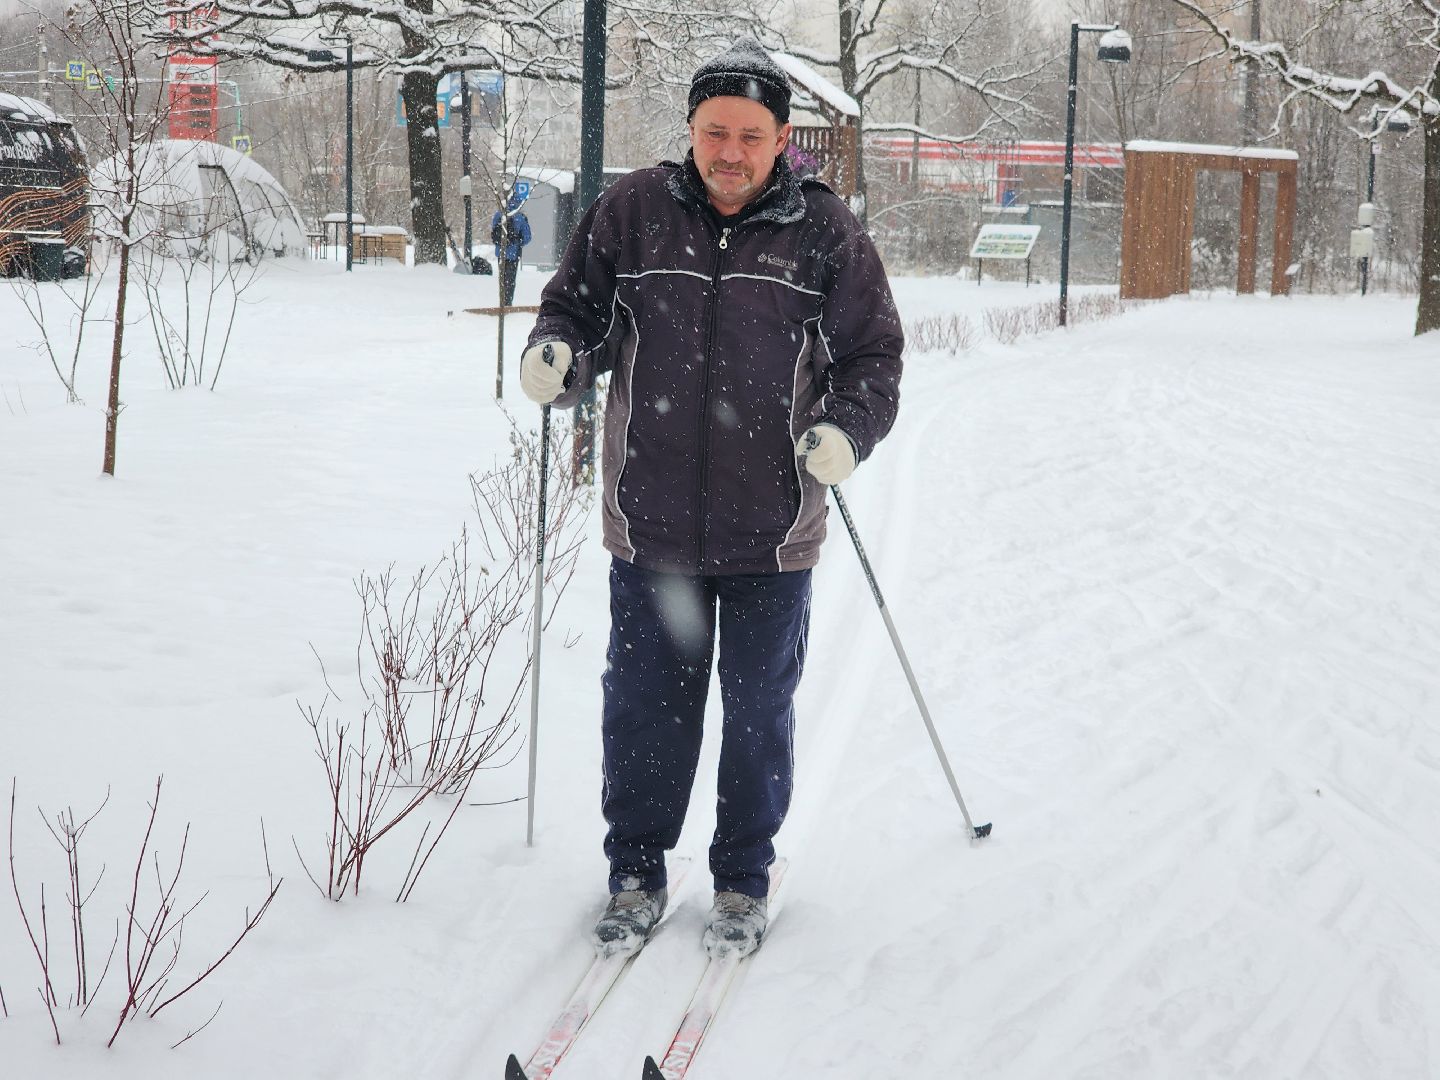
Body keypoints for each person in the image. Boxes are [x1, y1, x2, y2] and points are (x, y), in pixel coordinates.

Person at [518, 38, 904, 961]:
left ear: (781, 141)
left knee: (758, 709)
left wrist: (848, 429)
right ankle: (636, 870)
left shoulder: (826, 232)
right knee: (647, 705)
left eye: (750, 134)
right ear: (691, 131)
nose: (730, 150)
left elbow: (874, 356)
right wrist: (558, 358)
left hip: (773, 530)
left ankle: (740, 880)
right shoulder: (634, 212)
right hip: (650, 523)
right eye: (714, 131)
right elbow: (576, 312)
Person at [491, 189, 531, 306]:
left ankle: (502, 303)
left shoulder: (498, 215)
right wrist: (518, 242)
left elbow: (494, 233)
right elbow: (527, 237)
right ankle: (508, 304)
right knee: (510, 280)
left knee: (502, 279)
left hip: (501, 253)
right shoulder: (520, 217)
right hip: (513, 254)